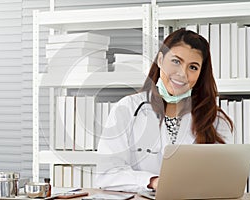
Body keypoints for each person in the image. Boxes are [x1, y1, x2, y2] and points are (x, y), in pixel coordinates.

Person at [95, 28, 234, 193]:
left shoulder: (214, 120)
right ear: (160, 60)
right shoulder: (126, 109)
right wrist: (153, 181)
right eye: (176, 61)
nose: (182, 73)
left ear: (200, 74)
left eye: (193, 67)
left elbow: (226, 178)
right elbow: (107, 174)